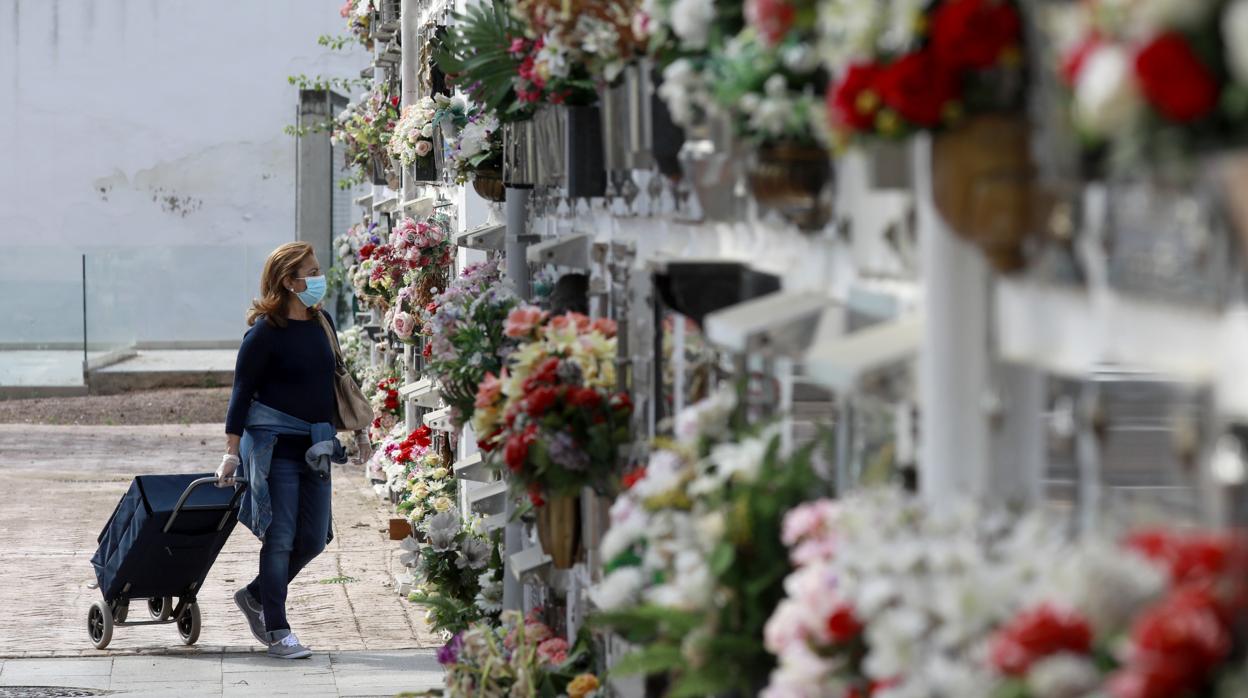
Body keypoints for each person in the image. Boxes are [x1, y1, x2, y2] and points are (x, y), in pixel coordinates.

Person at [214, 241, 371, 659]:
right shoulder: (265, 332)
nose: (319, 279)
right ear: (288, 281)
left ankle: (254, 596)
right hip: (276, 449)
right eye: (312, 272)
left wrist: (360, 433)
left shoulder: (323, 323)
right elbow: (241, 393)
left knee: (315, 538)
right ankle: (278, 630)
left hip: (316, 446)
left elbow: (338, 381)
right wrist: (231, 451)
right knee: (280, 536)